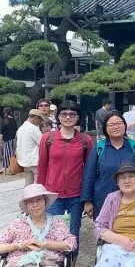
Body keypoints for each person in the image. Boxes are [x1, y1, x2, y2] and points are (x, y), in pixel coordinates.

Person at [36, 100, 93, 262]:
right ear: (58, 116)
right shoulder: (48, 138)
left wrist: (88, 198)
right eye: (63, 114)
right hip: (53, 195)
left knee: (73, 234)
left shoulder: (85, 140)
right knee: (52, 232)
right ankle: (53, 263)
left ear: (78, 117)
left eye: (72, 114)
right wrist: (39, 194)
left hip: (76, 196)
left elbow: (89, 171)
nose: (68, 117)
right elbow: (42, 168)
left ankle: (71, 263)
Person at [81, 112, 135, 220]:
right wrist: (87, 201)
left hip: (132, 199)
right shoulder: (99, 148)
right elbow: (88, 175)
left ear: (125, 125)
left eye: (119, 123)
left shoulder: (134, 146)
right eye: (111, 125)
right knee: (104, 231)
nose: (116, 127)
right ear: (105, 129)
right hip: (103, 199)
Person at [0, 184, 77, 267]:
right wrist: (18, 246)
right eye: (30, 201)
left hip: (50, 263)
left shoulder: (57, 224)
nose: (35, 204)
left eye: (39, 199)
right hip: (19, 263)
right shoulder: (17, 224)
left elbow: (72, 244)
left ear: (45, 201)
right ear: (26, 205)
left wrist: (45, 244)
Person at [15, 109, 44, 186]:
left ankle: (27, 196)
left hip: (24, 160)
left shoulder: (21, 128)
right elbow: (42, 142)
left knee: (28, 183)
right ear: (35, 118)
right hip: (34, 160)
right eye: (40, 120)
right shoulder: (32, 128)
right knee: (39, 184)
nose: (40, 122)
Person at [0, 107, 17, 173]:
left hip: (7, 140)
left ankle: (5, 168)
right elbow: (16, 130)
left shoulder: (4, 120)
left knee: (6, 154)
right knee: (13, 153)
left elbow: (1, 131)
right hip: (14, 139)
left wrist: (0, 139)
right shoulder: (13, 120)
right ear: (11, 112)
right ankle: (13, 166)